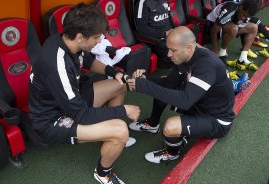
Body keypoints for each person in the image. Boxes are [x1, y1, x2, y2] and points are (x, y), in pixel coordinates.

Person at [29, 3, 140, 184]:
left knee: (119, 84)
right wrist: (124, 110)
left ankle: (108, 134)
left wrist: (114, 72)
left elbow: (87, 60)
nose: (99, 40)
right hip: (52, 119)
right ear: (80, 37)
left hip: (72, 100)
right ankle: (103, 173)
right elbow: (82, 115)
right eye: (96, 37)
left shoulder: (68, 41)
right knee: (121, 130)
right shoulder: (57, 65)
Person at [127, 26, 235, 163]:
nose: (168, 54)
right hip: (201, 105)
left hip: (217, 120)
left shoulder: (207, 64)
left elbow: (185, 101)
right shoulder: (186, 55)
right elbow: (168, 84)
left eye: (173, 50)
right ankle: (152, 124)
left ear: (189, 48)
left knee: (171, 126)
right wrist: (144, 79)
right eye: (168, 49)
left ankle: (172, 152)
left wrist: (145, 86)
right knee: (166, 87)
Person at [206, 0, 259, 70]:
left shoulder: (246, 13)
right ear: (241, 7)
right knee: (234, 28)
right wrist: (216, 50)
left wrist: (236, 31)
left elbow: (238, 30)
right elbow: (213, 32)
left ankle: (242, 58)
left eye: (245, 16)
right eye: (243, 15)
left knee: (254, 27)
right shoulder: (229, 10)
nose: (243, 18)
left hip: (228, 24)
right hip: (210, 25)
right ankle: (222, 55)